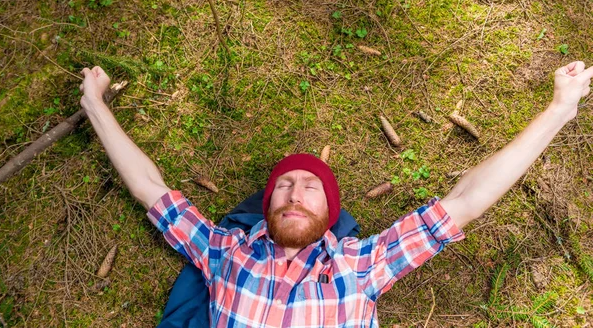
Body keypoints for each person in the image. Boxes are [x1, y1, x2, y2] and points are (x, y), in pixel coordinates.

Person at [79, 62, 592, 327]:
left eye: (310, 188)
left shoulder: (361, 264)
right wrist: (95, 105)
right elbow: (150, 188)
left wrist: (558, 110)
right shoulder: (221, 250)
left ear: (332, 211)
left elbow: (466, 200)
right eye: (283, 185)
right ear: (267, 205)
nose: (295, 194)